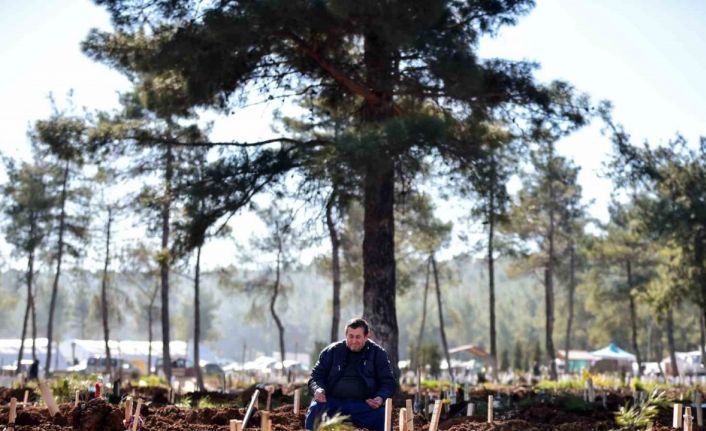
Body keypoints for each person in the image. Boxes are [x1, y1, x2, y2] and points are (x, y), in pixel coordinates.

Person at [305, 318, 395, 431]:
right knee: (315, 409)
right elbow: (316, 376)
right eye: (351, 336)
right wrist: (317, 389)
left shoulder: (378, 354)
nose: (354, 340)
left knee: (382, 415)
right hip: (332, 402)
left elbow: (388, 383)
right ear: (346, 335)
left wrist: (380, 397)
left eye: (358, 337)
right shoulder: (331, 351)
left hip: (364, 405)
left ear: (367, 336)